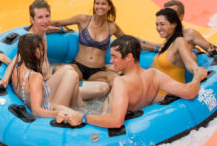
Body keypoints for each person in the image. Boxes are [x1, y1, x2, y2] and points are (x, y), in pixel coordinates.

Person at [58, 36, 208, 129]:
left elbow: (116, 121)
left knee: (61, 106)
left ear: (129, 57)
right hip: (139, 120)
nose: (111, 61)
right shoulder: (154, 75)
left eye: (115, 57)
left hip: (105, 125)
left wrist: (83, 117)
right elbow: (190, 92)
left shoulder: (121, 82)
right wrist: (197, 78)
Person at [0, 0, 108, 107]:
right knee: (84, 80)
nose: (45, 21)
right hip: (45, 87)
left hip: (52, 81)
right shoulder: (30, 40)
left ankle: (76, 103)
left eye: (47, 16)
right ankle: (76, 107)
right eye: (40, 17)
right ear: (32, 20)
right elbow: (16, 61)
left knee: (103, 88)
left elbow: (47, 28)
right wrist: (4, 81)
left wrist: (60, 29)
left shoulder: (42, 31)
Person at [50, 0, 125, 93]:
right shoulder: (83, 19)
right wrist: (39, 22)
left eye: (103, 4)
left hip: (98, 71)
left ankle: (78, 88)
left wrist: (147, 46)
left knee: (116, 81)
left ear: (109, 7)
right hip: (78, 67)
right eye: (97, 3)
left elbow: (128, 41)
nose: (100, 6)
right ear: (94, 5)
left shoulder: (112, 26)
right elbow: (58, 22)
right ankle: (82, 89)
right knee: (57, 70)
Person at [10, 33, 76, 119]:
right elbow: (36, 111)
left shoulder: (15, 69)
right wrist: (58, 113)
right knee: (72, 75)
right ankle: (79, 106)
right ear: (34, 52)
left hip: (39, 98)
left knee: (67, 68)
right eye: (41, 49)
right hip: (50, 109)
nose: (43, 52)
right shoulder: (35, 77)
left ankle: (79, 104)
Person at [151, 8, 202, 83]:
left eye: (162, 24)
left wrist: (197, 70)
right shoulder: (165, 44)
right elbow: (151, 70)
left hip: (173, 90)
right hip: (159, 90)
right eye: (157, 24)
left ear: (174, 24)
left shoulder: (179, 41)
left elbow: (190, 63)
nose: (158, 28)